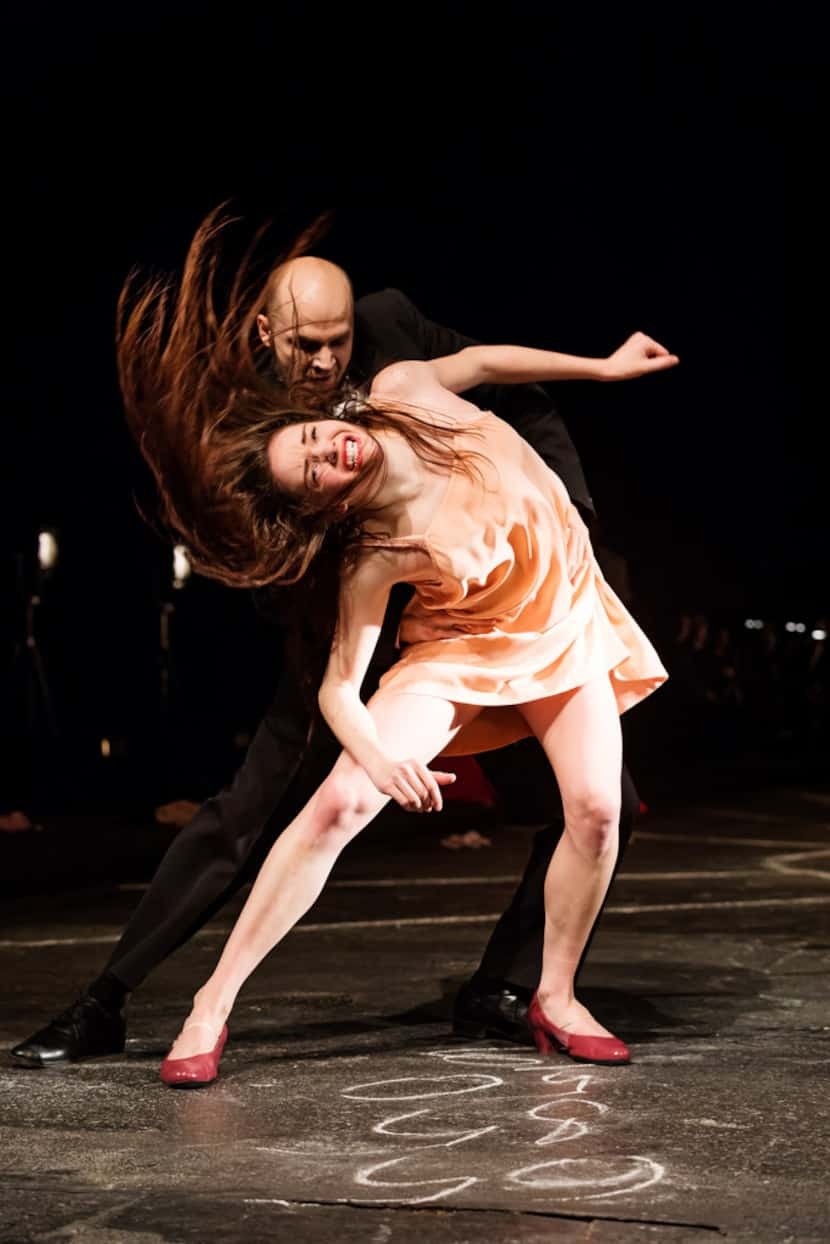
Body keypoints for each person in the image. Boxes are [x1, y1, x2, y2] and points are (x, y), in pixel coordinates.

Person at [11, 212, 669, 1069]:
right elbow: (275, 552)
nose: (325, 362)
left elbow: (492, 372)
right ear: (264, 334)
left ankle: (525, 988)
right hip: (384, 600)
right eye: (306, 346)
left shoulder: (392, 359)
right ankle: (119, 998)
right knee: (273, 801)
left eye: (336, 340)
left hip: (529, 588)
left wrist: (589, 424)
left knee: (598, 803)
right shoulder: (267, 432)